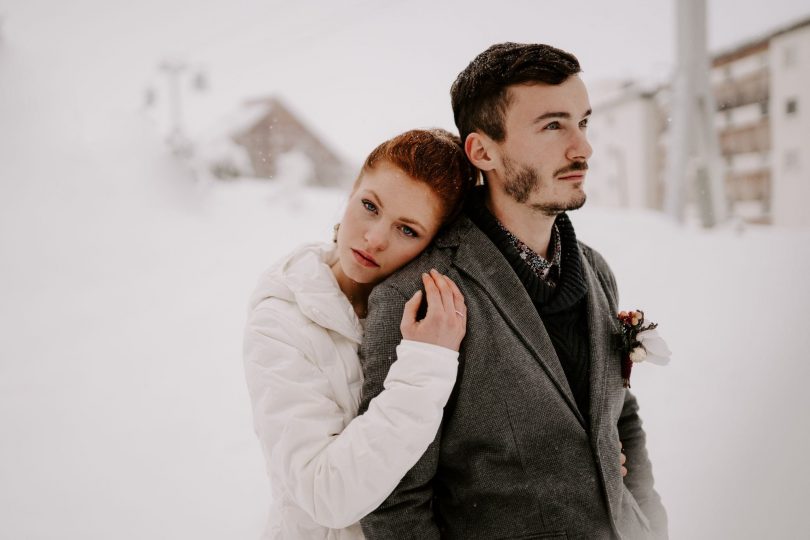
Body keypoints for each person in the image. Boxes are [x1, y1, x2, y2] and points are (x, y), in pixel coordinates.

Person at [358, 43, 668, 539]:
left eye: (582, 122)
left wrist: (650, 523)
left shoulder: (597, 271)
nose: (582, 148)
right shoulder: (420, 295)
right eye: (552, 126)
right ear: (483, 151)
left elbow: (620, 418)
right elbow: (393, 502)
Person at [243, 128, 478, 539]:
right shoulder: (281, 321)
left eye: (407, 230)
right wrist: (426, 369)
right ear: (352, 189)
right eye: (370, 206)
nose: (374, 238)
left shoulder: (442, 314)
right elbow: (325, 495)